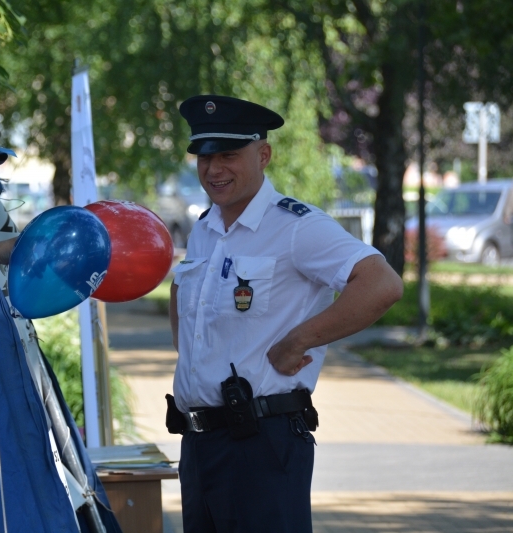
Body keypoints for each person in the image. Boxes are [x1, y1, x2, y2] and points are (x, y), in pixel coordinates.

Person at [167, 95, 403, 532]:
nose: (214, 169)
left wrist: (299, 340)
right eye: (204, 157)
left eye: (228, 155)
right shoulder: (205, 228)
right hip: (199, 445)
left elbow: (381, 283)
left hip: (260, 444)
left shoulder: (296, 226)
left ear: (263, 155)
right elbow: (183, 295)